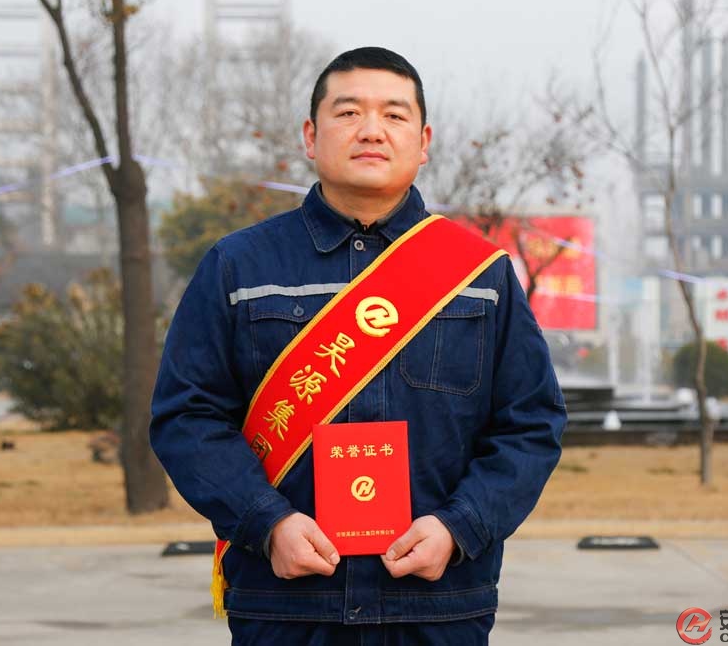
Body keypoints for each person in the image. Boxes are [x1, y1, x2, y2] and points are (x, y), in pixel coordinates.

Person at [150, 47, 567, 645]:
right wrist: (268, 524)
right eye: (348, 113)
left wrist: (459, 527)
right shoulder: (240, 266)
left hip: (438, 605)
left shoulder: (480, 274)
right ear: (310, 135)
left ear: (423, 142)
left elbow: (531, 424)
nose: (372, 130)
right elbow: (187, 417)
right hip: (286, 604)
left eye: (394, 115)